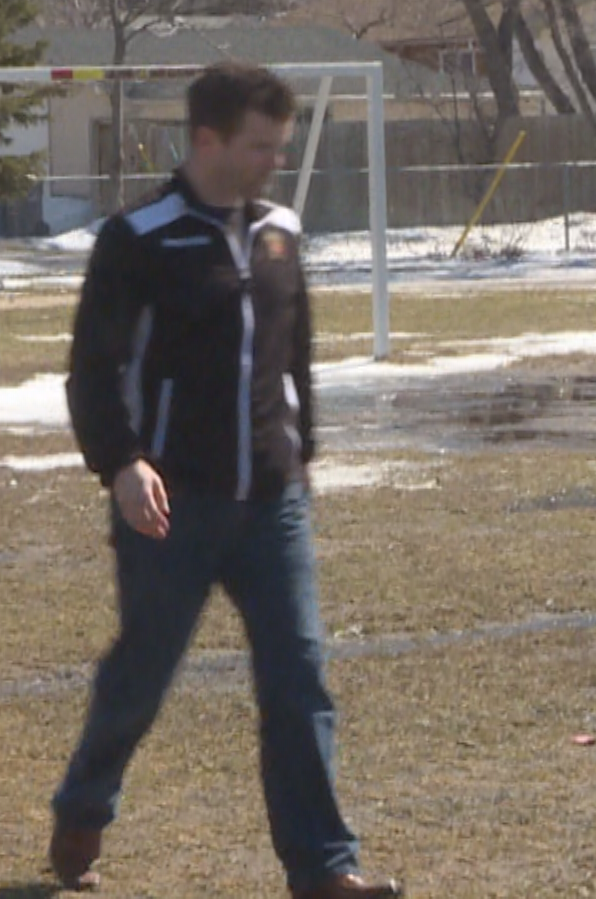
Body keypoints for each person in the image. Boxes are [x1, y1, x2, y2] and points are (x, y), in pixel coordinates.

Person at [51, 62, 401, 899]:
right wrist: (123, 463)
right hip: (171, 506)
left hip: (270, 502)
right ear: (207, 140)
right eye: (258, 146)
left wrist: (302, 452)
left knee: (299, 675)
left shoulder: (281, 230)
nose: (272, 161)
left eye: (279, 146)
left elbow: (295, 355)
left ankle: (324, 867)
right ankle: (83, 806)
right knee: (143, 673)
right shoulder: (139, 238)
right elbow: (92, 372)